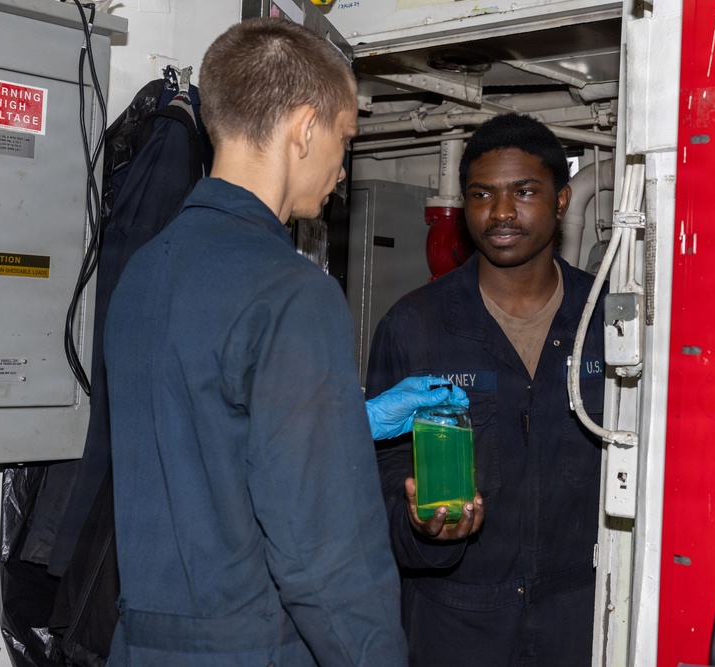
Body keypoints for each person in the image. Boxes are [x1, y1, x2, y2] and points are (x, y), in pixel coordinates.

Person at [103, 18, 464, 666]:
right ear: (304, 128)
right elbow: (324, 554)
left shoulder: (143, 271)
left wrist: (345, 422)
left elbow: (206, 452)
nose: (342, 169)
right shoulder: (292, 292)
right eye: (344, 139)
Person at [366, 112, 607, 666]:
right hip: (454, 625)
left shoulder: (607, 321)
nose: (500, 212)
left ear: (563, 200)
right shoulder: (415, 325)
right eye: (481, 194)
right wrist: (416, 525)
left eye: (523, 191)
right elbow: (374, 474)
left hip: (581, 620)